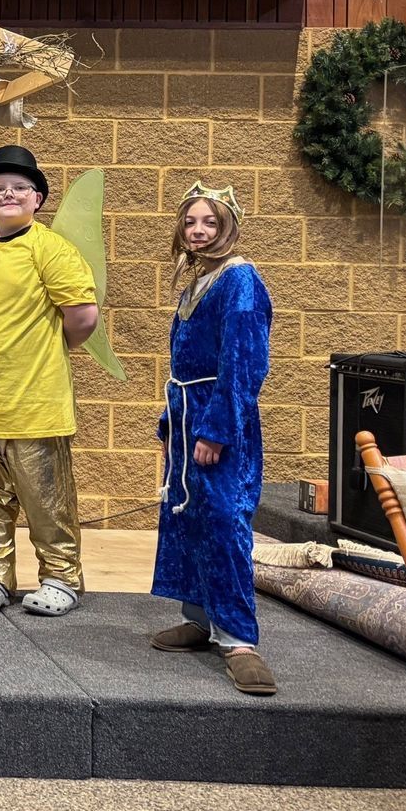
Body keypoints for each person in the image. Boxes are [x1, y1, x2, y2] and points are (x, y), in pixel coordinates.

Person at [0, 145, 100, 618]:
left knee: (46, 502)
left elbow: (82, 317)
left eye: (19, 187)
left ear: (37, 198)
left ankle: (61, 577)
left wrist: (42, 355)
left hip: (34, 405)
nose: (8, 194)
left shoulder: (51, 248)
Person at [149, 183, 276, 696]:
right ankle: (200, 619)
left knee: (225, 520)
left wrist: (218, 429)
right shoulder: (197, 280)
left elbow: (243, 362)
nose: (198, 231)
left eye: (209, 222)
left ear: (228, 226)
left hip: (217, 419)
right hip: (188, 415)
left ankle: (240, 640)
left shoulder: (239, 280)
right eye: (190, 222)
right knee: (188, 515)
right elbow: (186, 362)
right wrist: (170, 420)